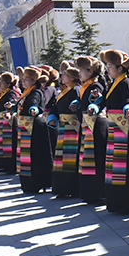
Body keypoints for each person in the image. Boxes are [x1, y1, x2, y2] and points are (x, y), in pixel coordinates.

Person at [95, 50, 129, 214]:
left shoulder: (127, 83)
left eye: (110, 66)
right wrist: (95, 104)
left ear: (120, 68)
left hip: (124, 129)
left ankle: (126, 203)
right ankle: (115, 202)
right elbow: (104, 99)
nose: (107, 70)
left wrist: (128, 108)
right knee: (114, 166)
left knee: (125, 165)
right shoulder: (113, 83)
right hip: (114, 130)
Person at [76, 55, 108, 204]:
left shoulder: (95, 86)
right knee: (88, 159)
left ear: (90, 71)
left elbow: (97, 100)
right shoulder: (85, 86)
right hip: (87, 125)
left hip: (96, 125)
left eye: (82, 70)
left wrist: (93, 103)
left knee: (96, 158)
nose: (79, 73)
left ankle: (98, 192)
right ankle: (90, 192)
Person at [16, 66, 52, 193]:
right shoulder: (26, 92)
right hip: (27, 127)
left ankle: (36, 182)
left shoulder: (35, 92)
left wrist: (34, 109)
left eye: (26, 79)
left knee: (35, 155)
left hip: (34, 126)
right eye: (23, 79)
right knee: (27, 156)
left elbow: (34, 103)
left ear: (33, 80)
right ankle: (29, 183)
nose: (23, 81)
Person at [49, 65, 81, 198]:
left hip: (72, 128)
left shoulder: (76, 89)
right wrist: (52, 117)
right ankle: (62, 187)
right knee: (61, 158)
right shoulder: (63, 91)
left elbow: (78, 102)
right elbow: (55, 107)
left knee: (70, 158)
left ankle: (71, 188)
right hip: (63, 127)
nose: (62, 77)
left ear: (72, 77)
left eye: (65, 75)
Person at [0, 72, 20, 174]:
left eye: (2, 82)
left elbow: (12, 103)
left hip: (9, 121)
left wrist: (9, 107)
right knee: (3, 144)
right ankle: (4, 165)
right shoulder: (1, 93)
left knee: (9, 143)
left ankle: (11, 166)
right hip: (2, 120)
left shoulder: (11, 93)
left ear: (8, 84)